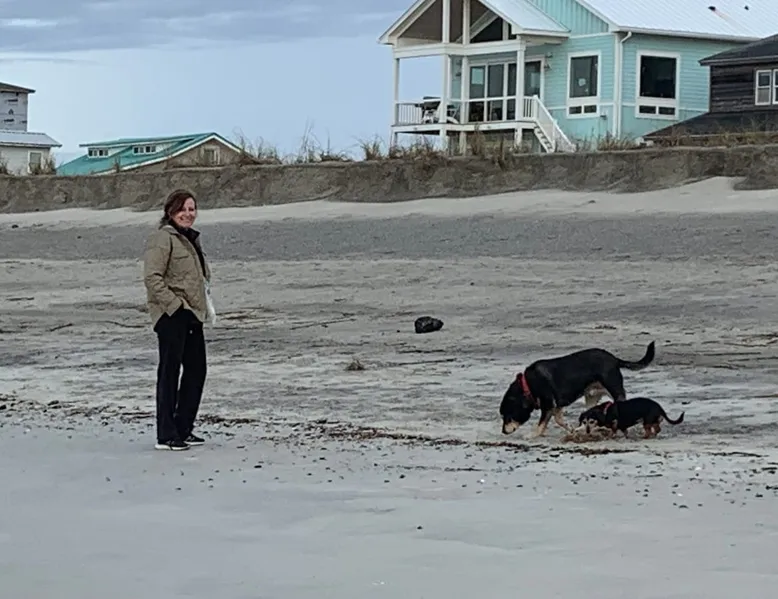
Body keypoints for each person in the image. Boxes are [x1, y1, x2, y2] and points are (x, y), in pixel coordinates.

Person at [143, 189, 213, 451]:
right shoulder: (163, 238)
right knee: (169, 373)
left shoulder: (190, 238)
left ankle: (183, 428)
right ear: (170, 211)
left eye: (192, 209)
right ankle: (166, 434)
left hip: (193, 314)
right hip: (171, 315)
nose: (188, 213)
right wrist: (174, 306)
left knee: (196, 370)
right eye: (182, 209)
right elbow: (152, 277)